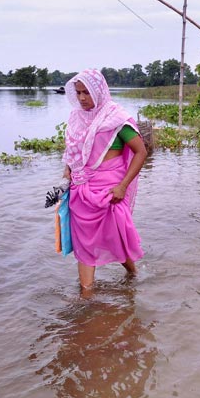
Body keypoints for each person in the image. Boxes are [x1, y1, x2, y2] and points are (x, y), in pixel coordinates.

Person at [61, 69, 147, 292]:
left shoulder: (116, 120)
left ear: (98, 91)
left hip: (110, 193)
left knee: (117, 238)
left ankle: (133, 275)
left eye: (87, 93)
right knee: (85, 245)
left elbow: (141, 152)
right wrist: (68, 170)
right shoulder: (76, 118)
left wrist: (122, 186)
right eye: (78, 93)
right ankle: (86, 296)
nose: (81, 98)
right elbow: (73, 153)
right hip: (80, 192)